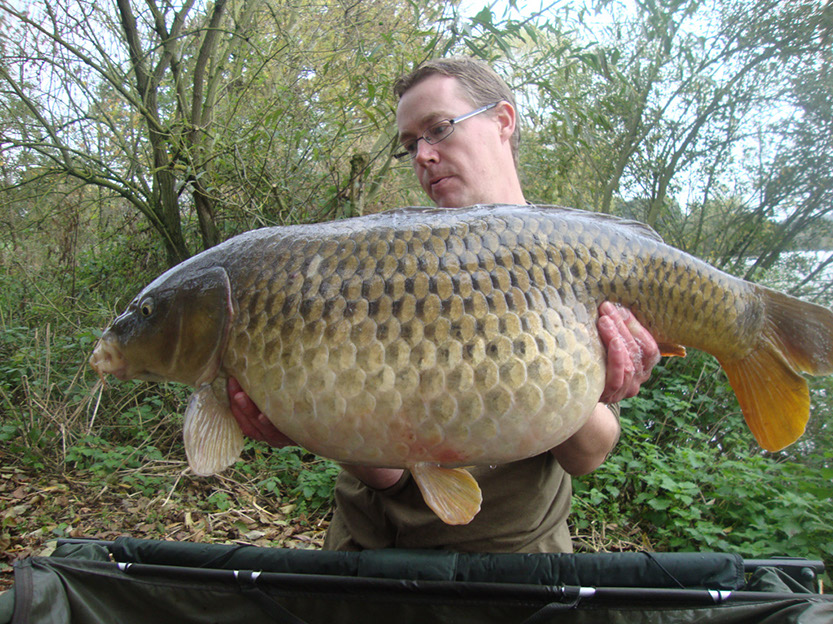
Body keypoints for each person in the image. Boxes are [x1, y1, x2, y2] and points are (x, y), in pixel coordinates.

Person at [227, 57, 660, 552]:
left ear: (502, 121)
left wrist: (571, 382)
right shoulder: (376, 258)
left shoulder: (579, 255)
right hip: (370, 549)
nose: (423, 155)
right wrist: (300, 420)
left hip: (513, 557)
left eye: (438, 129)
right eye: (411, 144)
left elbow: (587, 457)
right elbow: (386, 473)